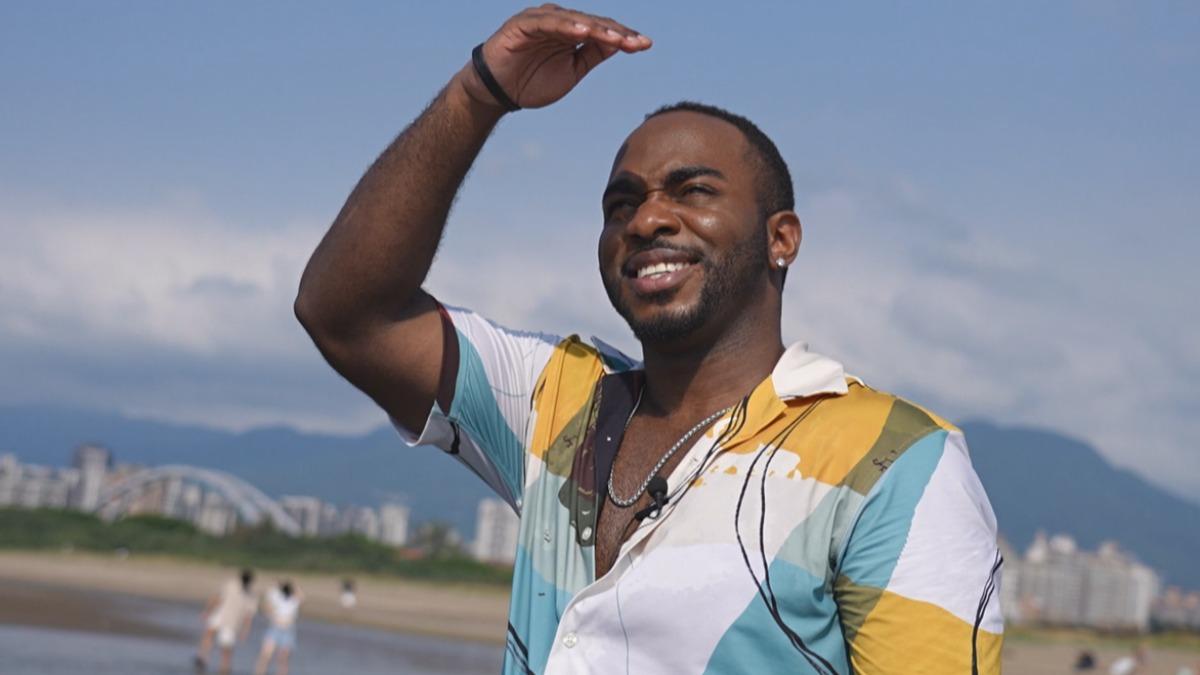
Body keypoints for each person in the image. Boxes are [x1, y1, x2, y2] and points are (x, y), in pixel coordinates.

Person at [296, 5, 1005, 673]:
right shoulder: (557, 401)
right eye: (621, 203)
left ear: (781, 239)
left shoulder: (897, 464)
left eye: (692, 191)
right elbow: (347, 314)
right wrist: (478, 94)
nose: (645, 220)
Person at [195, 568, 258, 674]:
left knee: (226, 648)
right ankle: (203, 657)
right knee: (209, 634)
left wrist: (245, 631)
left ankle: (224, 669)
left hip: (232, 623)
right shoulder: (231, 585)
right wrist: (207, 610)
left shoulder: (251, 596)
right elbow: (217, 598)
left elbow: (248, 616)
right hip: (220, 614)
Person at [254, 580, 303, 675]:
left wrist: (293, 585)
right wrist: (279, 585)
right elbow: (269, 593)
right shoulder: (276, 597)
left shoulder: (294, 600)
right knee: (265, 656)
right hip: (274, 629)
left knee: (283, 660)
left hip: (288, 631)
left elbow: (302, 596)